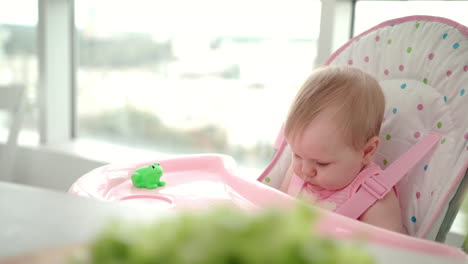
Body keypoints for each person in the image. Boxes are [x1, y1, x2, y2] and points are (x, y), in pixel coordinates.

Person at [280, 65, 406, 234]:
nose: (305, 170)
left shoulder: (374, 199)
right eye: (297, 155)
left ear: (367, 151)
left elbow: (391, 253)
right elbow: (278, 210)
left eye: (322, 163)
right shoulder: (299, 171)